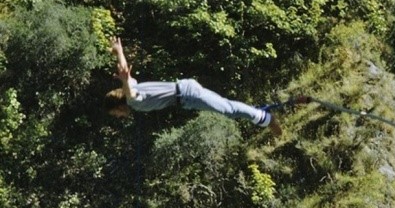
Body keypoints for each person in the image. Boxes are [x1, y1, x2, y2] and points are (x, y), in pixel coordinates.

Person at [105, 37, 282, 136]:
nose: (120, 117)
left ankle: (267, 118)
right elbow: (130, 84)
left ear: (119, 105)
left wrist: (124, 80)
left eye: (117, 114)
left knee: (228, 109)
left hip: (188, 94)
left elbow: (130, 93)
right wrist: (120, 53)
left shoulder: (134, 101)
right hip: (187, 94)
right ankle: (260, 117)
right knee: (227, 107)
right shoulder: (137, 87)